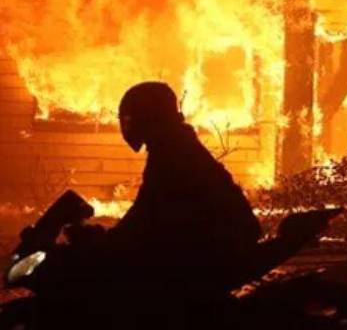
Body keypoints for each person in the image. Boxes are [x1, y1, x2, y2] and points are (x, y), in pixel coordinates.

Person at [98, 81, 262, 289]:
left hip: (212, 253)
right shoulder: (173, 145)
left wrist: (109, 242)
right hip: (215, 245)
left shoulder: (173, 152)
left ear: (149, 116)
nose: (128, 124)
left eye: (133, 117)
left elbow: (145, 212)